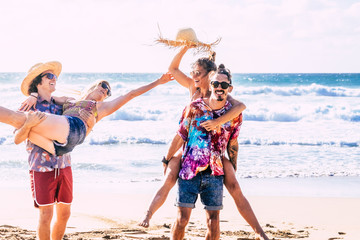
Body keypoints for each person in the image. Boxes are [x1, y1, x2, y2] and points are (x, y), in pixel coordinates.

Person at [140, 47, 269, 240]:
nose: (194, 76)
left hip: (215, 159)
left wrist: (231, 159)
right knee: (170, 182)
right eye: (193, 73)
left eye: (197, 73)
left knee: (222, 207)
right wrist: (185, 46)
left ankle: (259, 232)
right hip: (190, 151)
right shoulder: (195, 94)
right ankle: (148, 214)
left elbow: (239, 110)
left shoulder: (227, 102)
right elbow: (181, 133)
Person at [0, 63, 173, 157]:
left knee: (19, 118)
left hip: (73, 130)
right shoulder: (70, 101)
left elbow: (131, 94)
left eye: (108, 91)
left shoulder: (101, 107)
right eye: (104, 85)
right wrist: (32, 94)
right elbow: (49, 97)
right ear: (93, 85)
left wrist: (157, 82)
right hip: (59, 149)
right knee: (26, 128)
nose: (106, 90)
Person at [169, 68, 242, 240]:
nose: (219, 87)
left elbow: (233, 142)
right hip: (189, 171)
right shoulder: (194, 107)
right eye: (216, 83)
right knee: (182, 219)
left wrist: (233, 166)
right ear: (210, 85)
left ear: (229, 88)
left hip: (215, 173)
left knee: (214, 221)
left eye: (223, 84)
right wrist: (167, 158)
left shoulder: (234, 115)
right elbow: (180, 135)